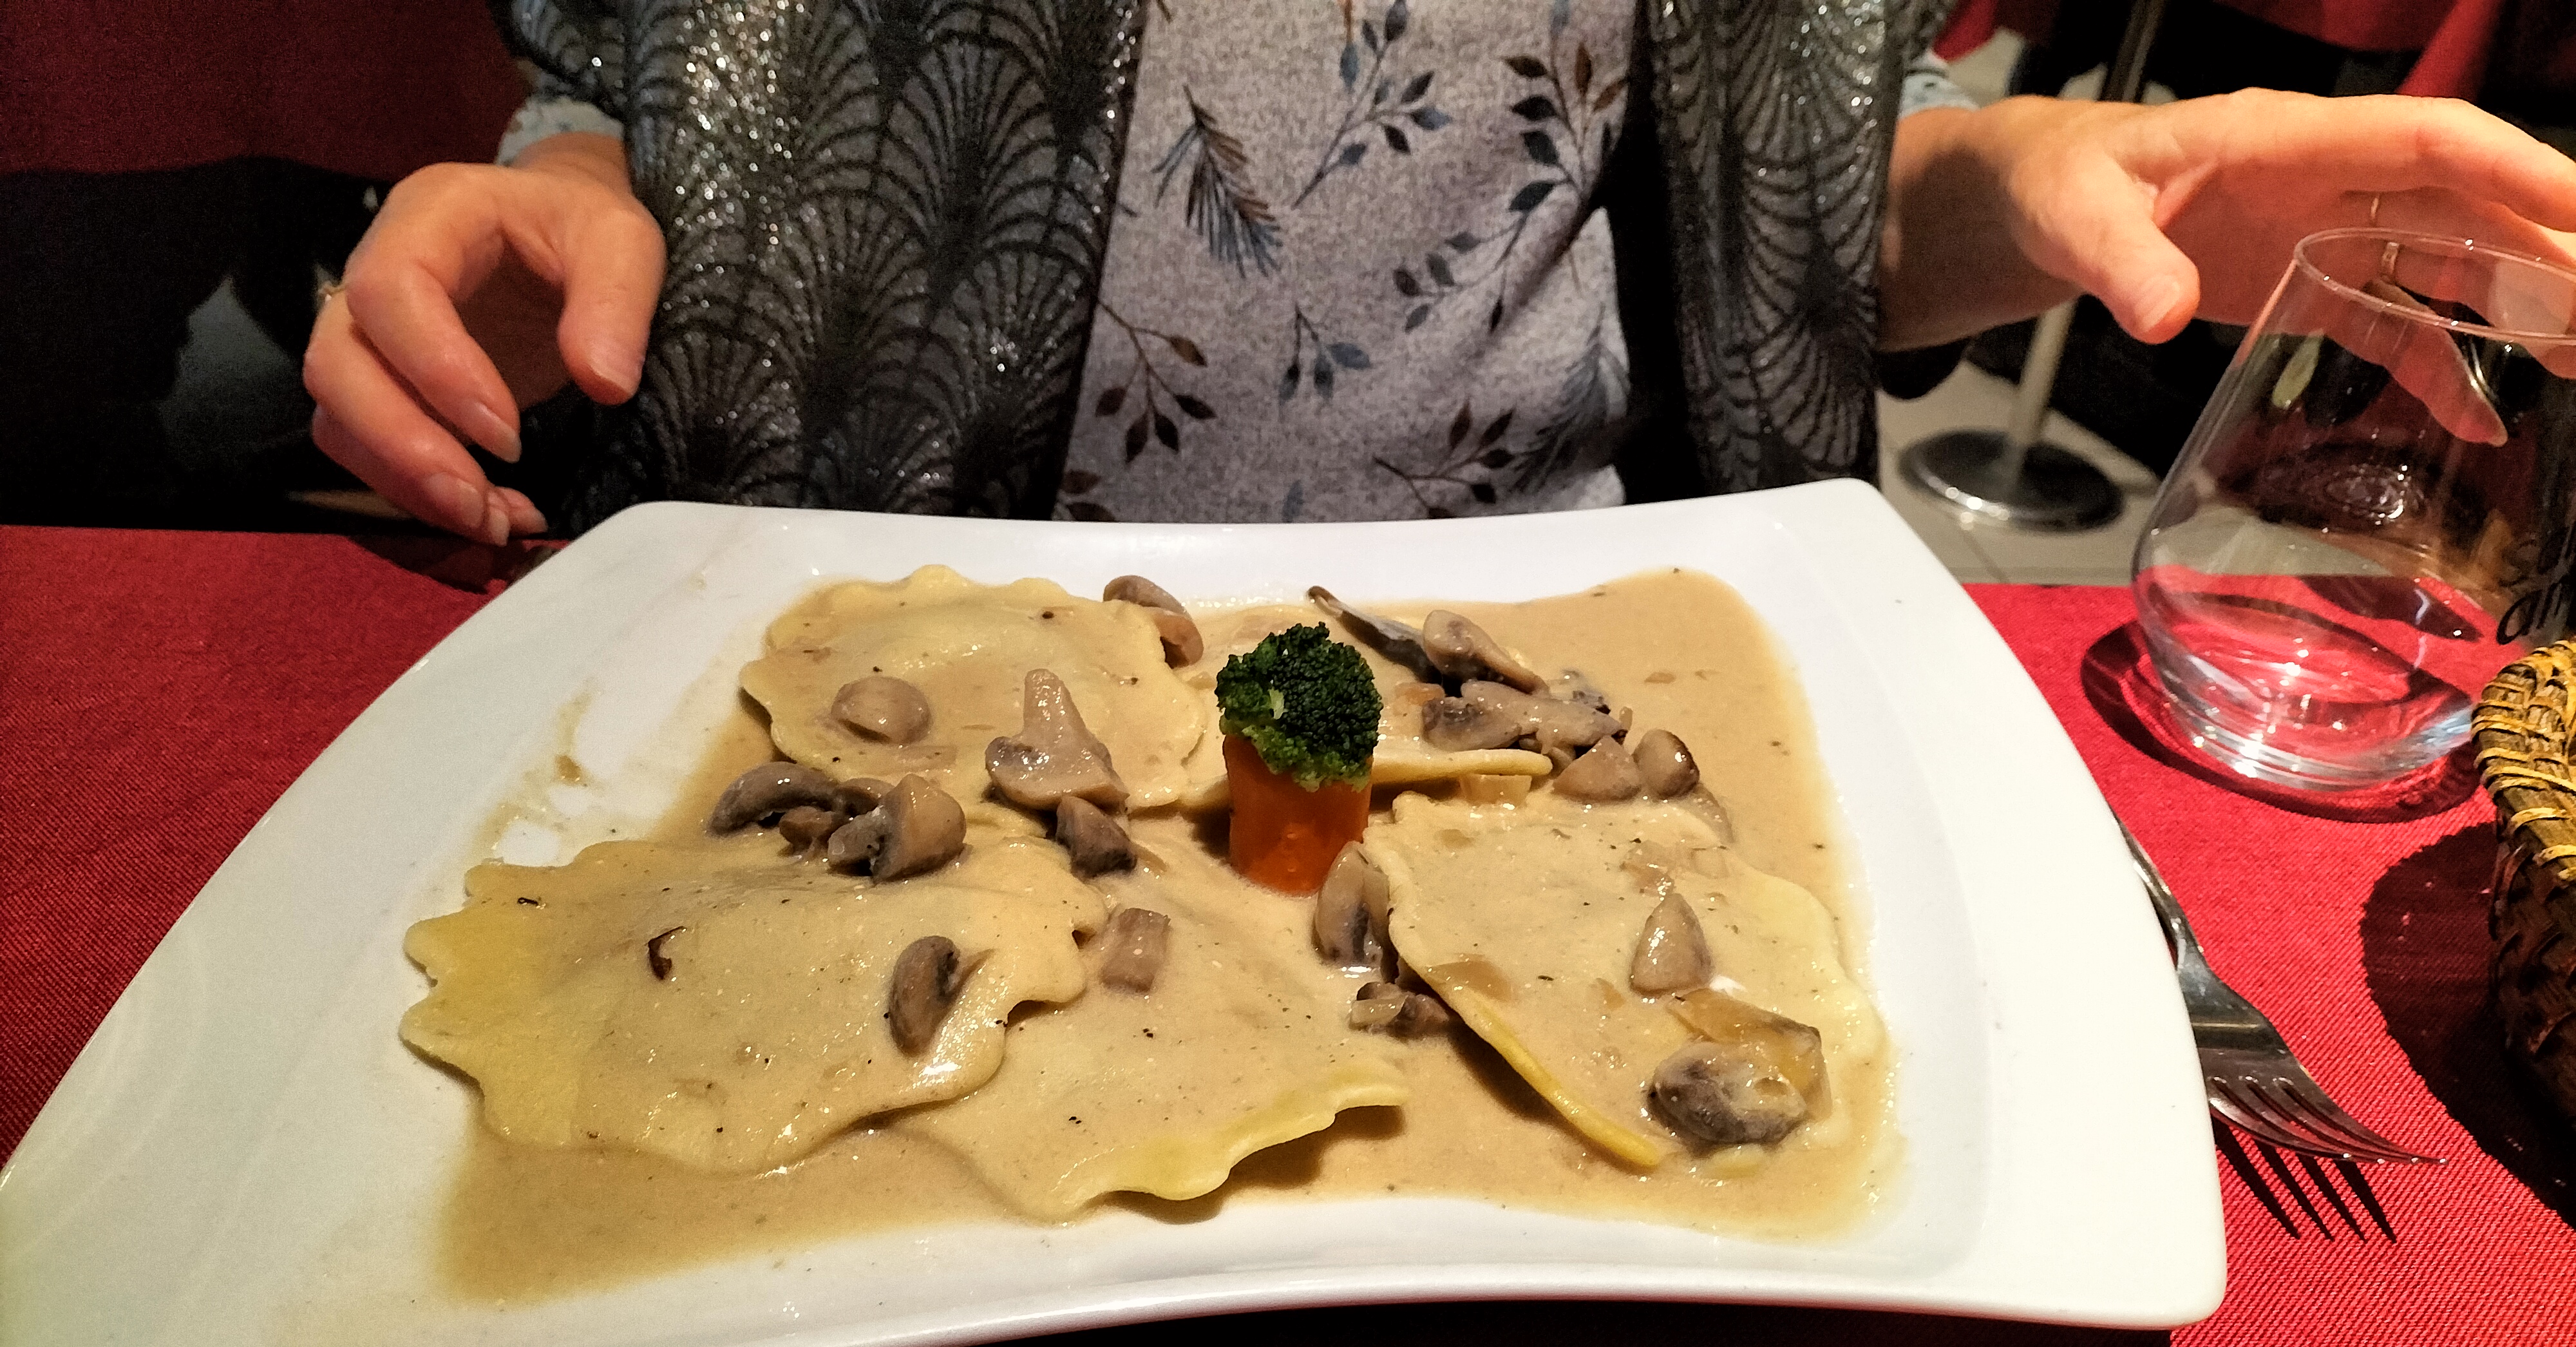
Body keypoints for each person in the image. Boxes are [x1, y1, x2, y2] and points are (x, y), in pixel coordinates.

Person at [303, 0, 2576, 544]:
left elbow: (1761, 205)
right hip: (846, 631)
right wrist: (559, 185)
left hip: (1548, 710)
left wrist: (2035, 176)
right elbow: (620, 77)